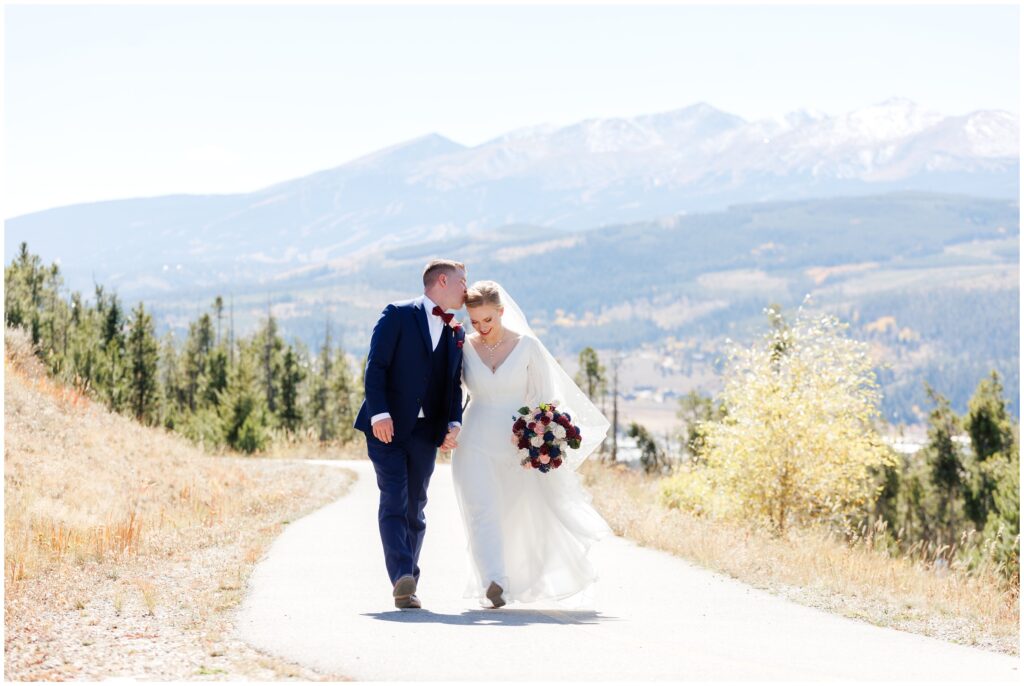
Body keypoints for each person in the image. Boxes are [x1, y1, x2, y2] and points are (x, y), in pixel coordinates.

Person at [451, 280, 612, 608]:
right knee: (481, 510)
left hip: (517, 444)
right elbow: (449, 392)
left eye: (488, 320)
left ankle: (520, 575)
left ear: (501, 312)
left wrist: (540, 436)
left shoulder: (527, 348)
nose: (482, 328)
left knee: (515, 512)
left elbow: (544, 400)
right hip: (474, 440)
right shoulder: (464, 347)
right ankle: (494, 581)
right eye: (475, 322)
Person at [353, 259, 468, 609]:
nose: (467, 288)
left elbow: (451, 386)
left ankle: (408, 584)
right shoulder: (398, 314)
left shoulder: (455, 332)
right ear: (443, 280)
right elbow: (376, 367)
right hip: (386, 427)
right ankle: (402, 575)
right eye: (463, 281)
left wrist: (453, 423)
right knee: (394, 498)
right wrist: (380, 414)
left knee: (416, 506)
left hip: (425, 431)